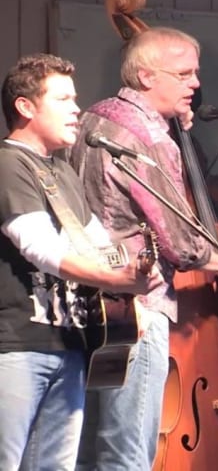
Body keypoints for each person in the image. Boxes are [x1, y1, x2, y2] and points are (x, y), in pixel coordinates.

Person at [69, 27, 218, 470]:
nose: (196, 84)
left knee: (88, 450)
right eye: (183, 74)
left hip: (86, 303)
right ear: (147, 76)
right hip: (138, 307)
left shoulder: (91, 118)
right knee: (128, 451)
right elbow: (180, 240)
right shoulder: (149, 136)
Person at [0, 53, 163, 471]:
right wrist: (118, 278)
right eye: (63, 99)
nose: (77, 109)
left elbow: (97, 242)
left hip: (69, 346)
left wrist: (134, 273)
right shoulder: (8, 164)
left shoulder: (64, 173)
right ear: (25, 106)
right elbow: (39, 248)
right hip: (16, 345)